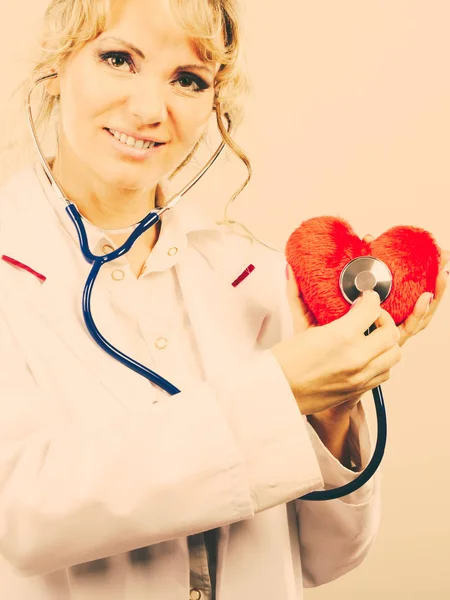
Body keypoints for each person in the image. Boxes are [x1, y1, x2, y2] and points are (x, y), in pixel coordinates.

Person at [0, 0, 448, 598]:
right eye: (118, 59)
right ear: (57, 67)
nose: (149, 109)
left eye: (187, 80)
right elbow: (23, 516)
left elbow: (324, 554)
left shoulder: (253, 276)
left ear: (215, 103)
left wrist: (333, 407)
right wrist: (281, 392)